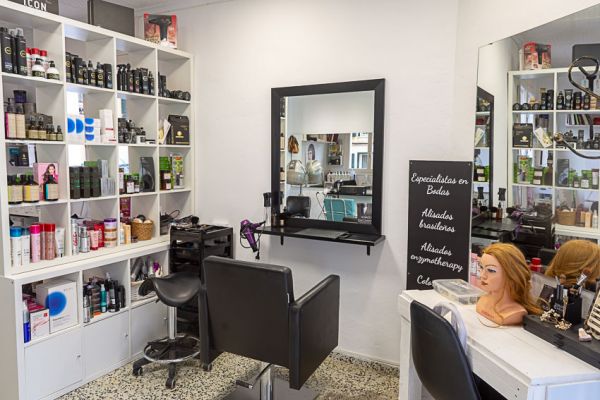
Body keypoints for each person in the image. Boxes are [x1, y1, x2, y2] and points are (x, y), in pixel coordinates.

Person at [476, 243, 541, 325]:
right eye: (481, 267)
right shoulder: (482, 300)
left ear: (511, 274)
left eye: (491, 270)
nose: (482, 275)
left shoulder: (515, 313)